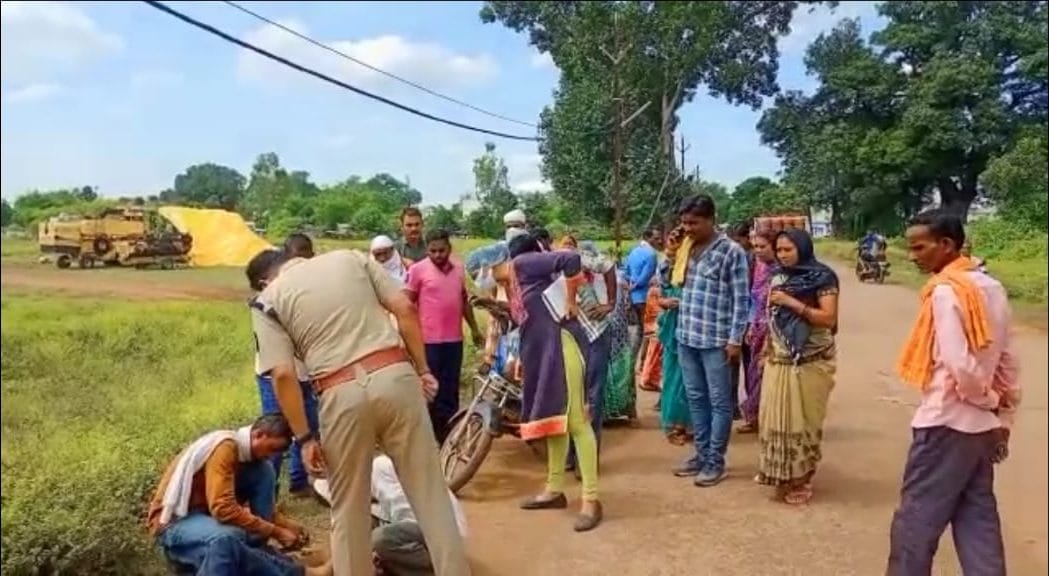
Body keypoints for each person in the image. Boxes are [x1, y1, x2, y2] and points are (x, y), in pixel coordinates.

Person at [247, 248, 469, 576]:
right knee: (430, 493)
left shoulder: (267, 300)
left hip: (339, 392)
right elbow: (405, 309)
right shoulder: (352, 258)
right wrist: (423, 369)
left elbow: (282, 375)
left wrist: (305, 439)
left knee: (349, 509)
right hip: (395, 374)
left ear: (265, 281)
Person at [887, 209, 1020, 575]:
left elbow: (959, 364)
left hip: (945, 422)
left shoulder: (946, 292)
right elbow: (1007, 357)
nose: (912, 256)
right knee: (977, 519)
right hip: (981, 427)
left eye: (919, 247)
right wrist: (1003, 412)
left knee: (916, 521)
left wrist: (987, 399)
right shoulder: (991, 287)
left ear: (946, 244)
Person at [146, 414, 331, 576]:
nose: (270, 456)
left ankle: (273, 558)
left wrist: (285, 525)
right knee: (227, 539)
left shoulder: (247, 456)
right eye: (271, 449)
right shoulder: (225, 448)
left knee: (264, 471)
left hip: (205, 516)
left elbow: (247, 509)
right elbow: (222, 509)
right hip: (176, 522)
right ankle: (295, 572)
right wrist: (275, 531)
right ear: (258, 434)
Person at [508, 232, 603, 532]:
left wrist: (572, 300)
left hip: (563, 347)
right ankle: (554, 489)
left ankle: (591, 500)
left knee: (576, 422)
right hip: (544, 352)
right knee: (554, 419)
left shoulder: (522, 263)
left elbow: (571, 258)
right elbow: (528, 321)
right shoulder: (522, 280)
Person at [755, 228, 839, 505]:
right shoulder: (778, 277)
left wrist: (791, 303)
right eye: (779, 250)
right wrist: (766, 349)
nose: (782, 255)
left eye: (788, 249)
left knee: (804, 422)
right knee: (775, 419)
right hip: (779, 361)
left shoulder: (822, 277)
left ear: (802, 248)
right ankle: (781, 474)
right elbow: (772, 318)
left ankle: (802, 478)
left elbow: (828, 319)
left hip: (810, 360)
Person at [672, 195, 750, 487]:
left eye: (694, 223)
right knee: (695, 399)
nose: (688, 228)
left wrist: (735, 340)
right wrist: (671, 252)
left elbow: (741, 300)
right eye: (684, 222)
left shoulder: (731, 252)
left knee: (720, 402)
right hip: (687, 336)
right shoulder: (686, 247)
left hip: (717, 340)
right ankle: (702, 454)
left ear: (711, 220)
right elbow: (671, 280)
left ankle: (715, 461)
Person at [254, 235, 321, 498]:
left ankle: (299, 481)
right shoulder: (268, 299)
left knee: (308, 426)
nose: (302, 260)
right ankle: (266, 492)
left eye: (307, 253)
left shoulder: (311, 290)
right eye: (297, 254)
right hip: (276, 376)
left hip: (305, 374)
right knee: (277, 431)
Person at [404, 229, 484, 443]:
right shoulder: (418, 270)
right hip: (428, 342)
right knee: (431, 391)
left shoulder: (458, 268)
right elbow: (406, 305)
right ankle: (428, 438)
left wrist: (474, 329)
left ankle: (448, 436)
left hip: (454, 341)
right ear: (427, 250)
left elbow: (464, 301)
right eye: (433, 251)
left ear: (449, 248)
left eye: (442, 250)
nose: (438, 255)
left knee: (450, 389)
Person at [371, 454, 468, 576]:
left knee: (380, 539)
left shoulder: (378, 469)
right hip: (446, 533)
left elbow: (401, 510)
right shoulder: (390, 466)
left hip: (442, 534)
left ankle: (437, 570)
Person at [737, 228, 777, 434]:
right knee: (753, 372)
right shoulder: (758, 266)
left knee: (770, 375)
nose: (758, 250)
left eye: (763, 246)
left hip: (776, 330)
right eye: (756, 246)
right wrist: (751, 325)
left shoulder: (781, 271)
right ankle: (754, 416)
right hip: (756, 327)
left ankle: (772, 418)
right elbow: (752, 299)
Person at [657, 226, 691, 445]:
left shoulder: (696, 264)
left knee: (692, 377)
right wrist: (666, 301)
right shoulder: (665, 266)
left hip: (694, 322)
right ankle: (675, 424)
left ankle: (689, 423)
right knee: (675, 375)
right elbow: (659, 296)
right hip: (673, 324)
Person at [625, 229, 662, 351]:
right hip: (645, 295)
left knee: (640, 328)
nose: (659, 241)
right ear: (648, 238)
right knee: (648, 329)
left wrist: (631, 285)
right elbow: (646, 276)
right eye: (656, 238)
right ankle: (644, 356)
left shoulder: (633, 252)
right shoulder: (651, 254)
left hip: (634, 296)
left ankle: (636, 353)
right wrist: (636, 285)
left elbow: (626, 272)